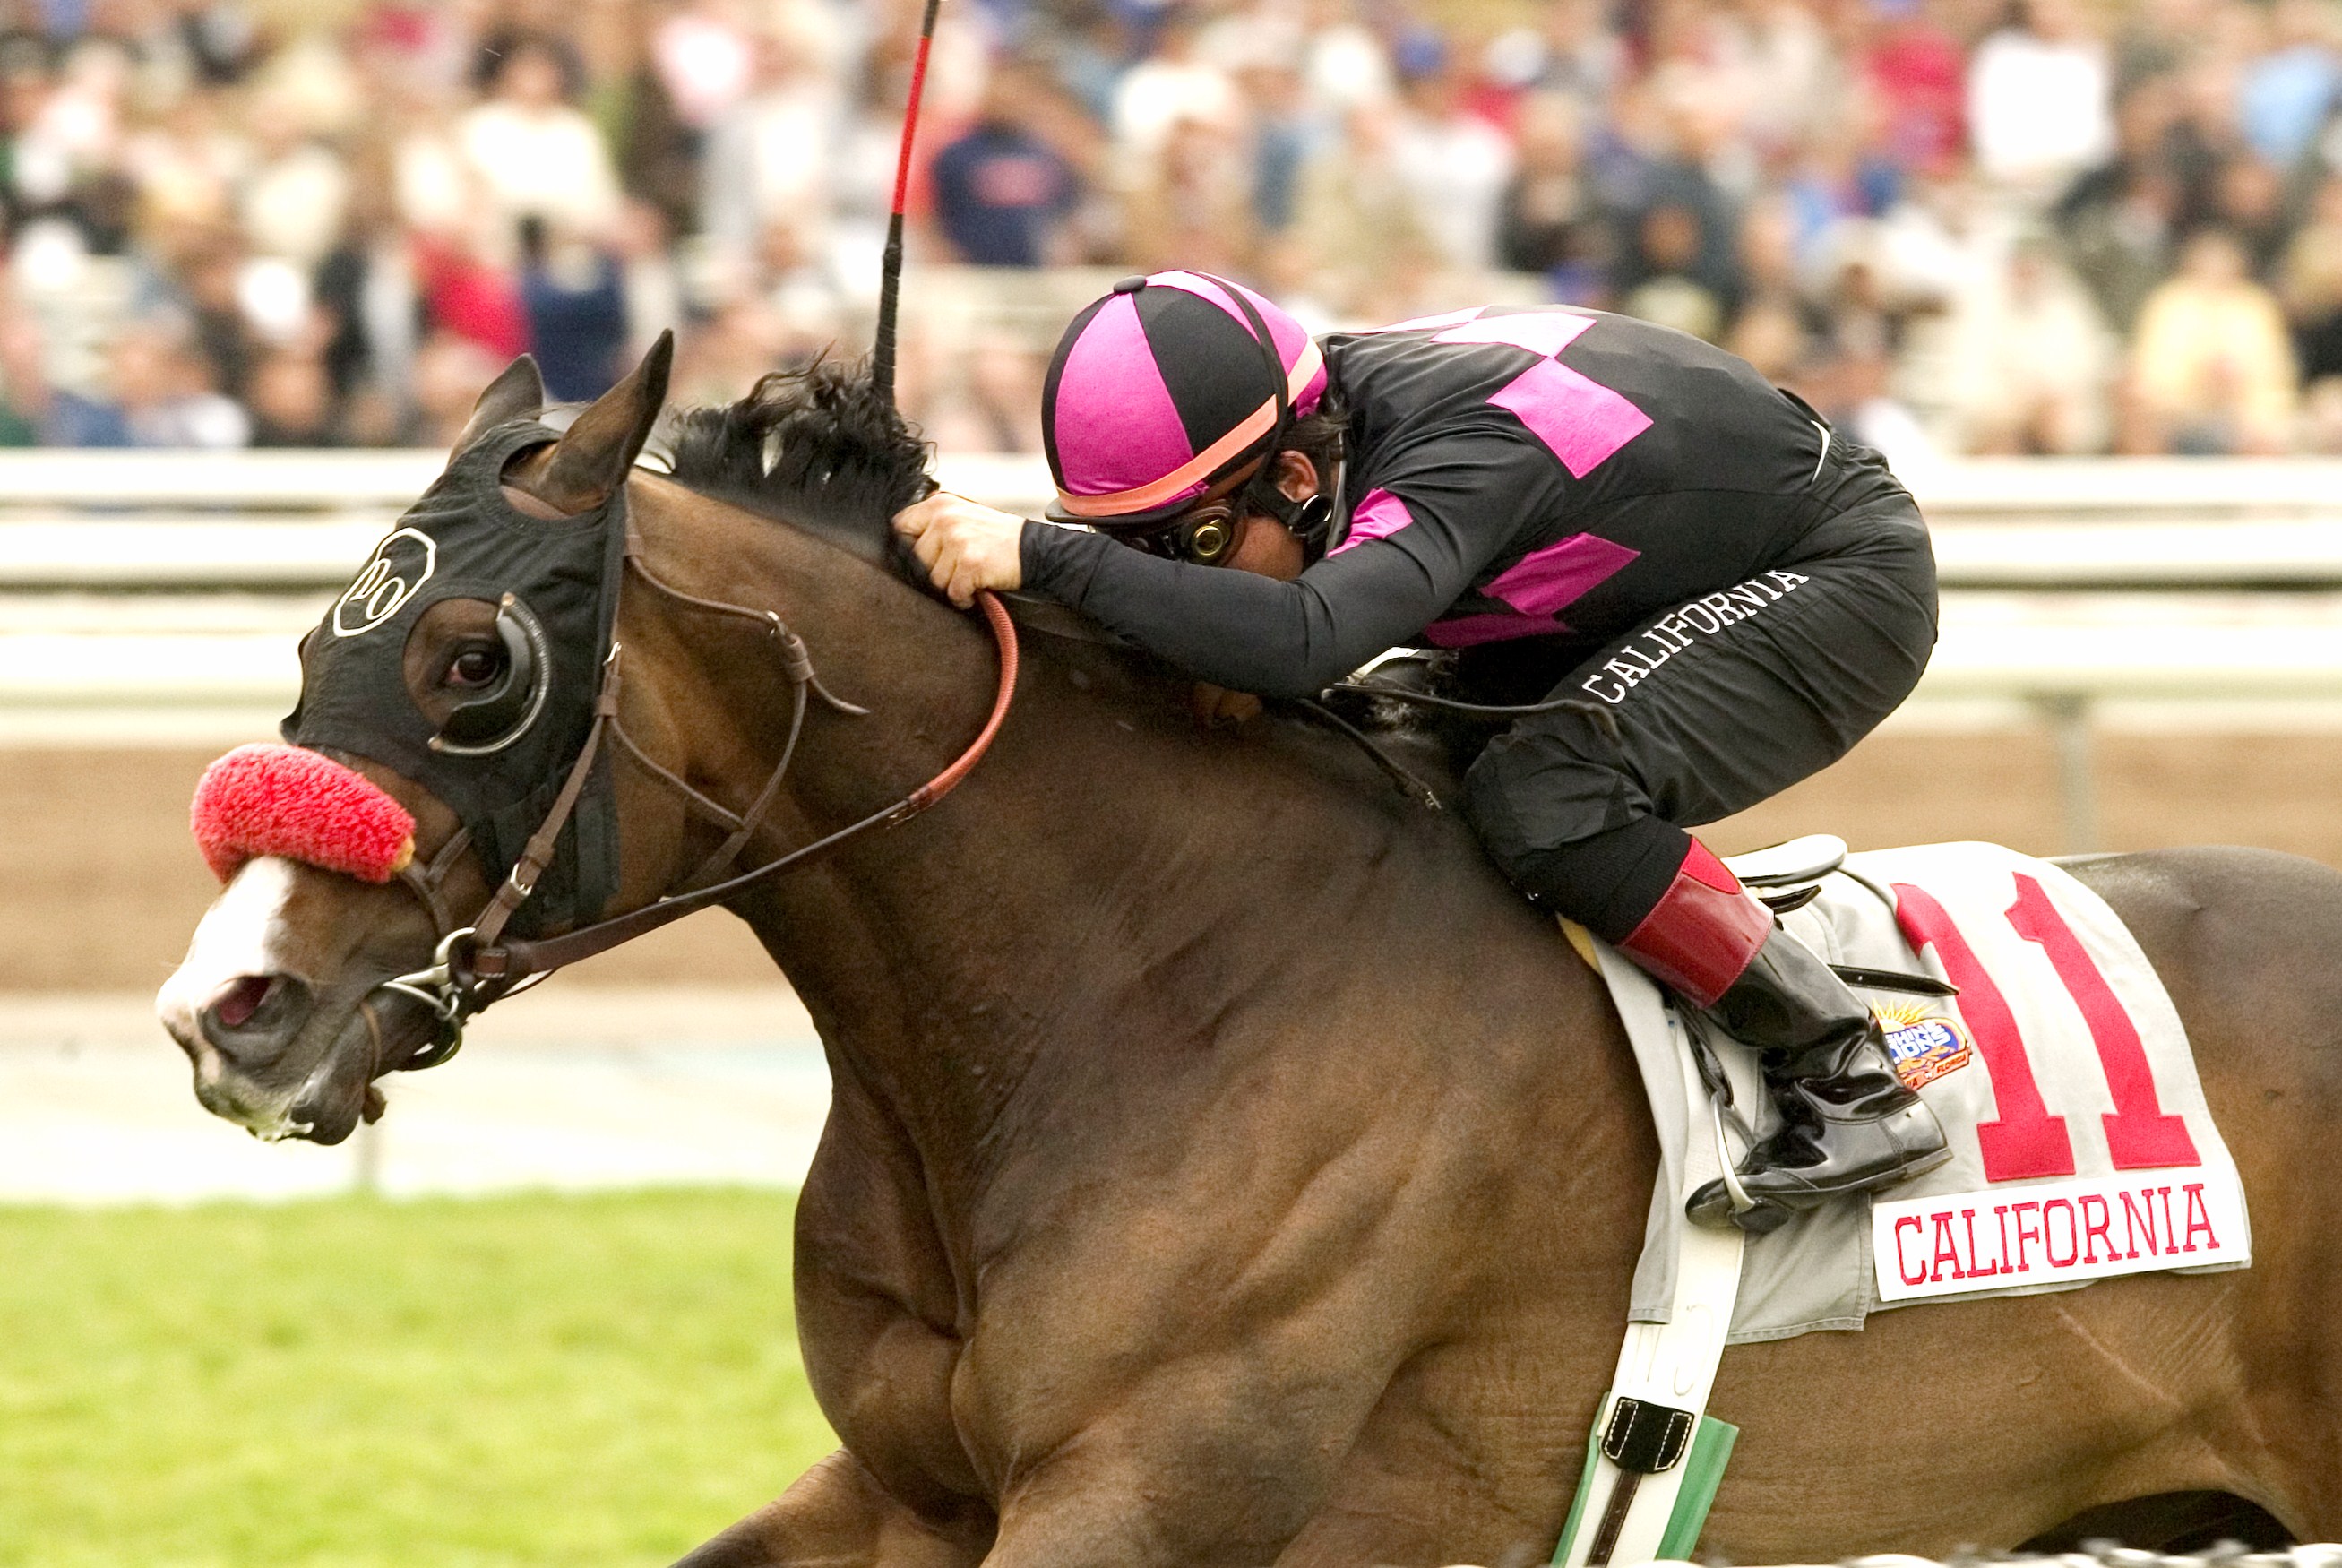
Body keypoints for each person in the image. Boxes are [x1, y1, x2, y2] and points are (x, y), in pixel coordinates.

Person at [893, 271, 1947, 1232]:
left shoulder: (1460, 451)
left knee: (1549, 798)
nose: (1172, 576)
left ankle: (1847, 1068)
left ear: (1297, 474)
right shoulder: (1325, 422)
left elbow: (1306, 640)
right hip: (1633, 581)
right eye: (1131, 544)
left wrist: (1045, 552)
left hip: (1835, 576)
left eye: (1195, 547)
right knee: (1371, 751)